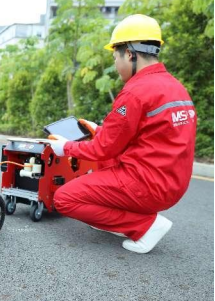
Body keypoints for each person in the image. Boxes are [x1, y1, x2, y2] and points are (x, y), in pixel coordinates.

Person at [47, 14, 197, 254]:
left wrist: (65, 147)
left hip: (148, 185)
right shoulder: (175, 87)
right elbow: (145, 134)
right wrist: (99, 130)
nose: (116, 65)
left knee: (65, 199)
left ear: (129, 53)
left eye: (115, 56)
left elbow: (102, 149)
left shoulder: (135, 92)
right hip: (173, 183)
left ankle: (145, 225)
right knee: (104, 157)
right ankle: (121, 217)